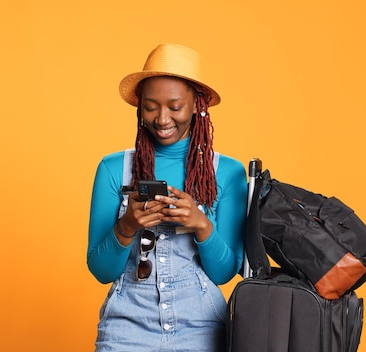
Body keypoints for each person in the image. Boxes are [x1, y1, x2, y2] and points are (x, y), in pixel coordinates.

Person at [87, 43, 248, 352]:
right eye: (151, 106)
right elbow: (100, 270)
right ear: (139, 107)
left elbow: (224, 273)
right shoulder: (113, 169)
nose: (162, 119)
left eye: (174, 107)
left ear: (197, 105)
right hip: (126, 327)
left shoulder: (227, 172)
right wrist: (126, 227)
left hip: (201, 328)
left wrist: (202, 225)